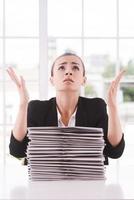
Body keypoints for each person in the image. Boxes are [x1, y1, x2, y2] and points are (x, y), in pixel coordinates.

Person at [7, 52, 125, 165]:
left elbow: (115, 151)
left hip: (88, 183)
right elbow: (16, 150)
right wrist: (23, 105)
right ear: (52, 80)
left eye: (75, 68)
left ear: (84, 80)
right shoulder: (36, 109)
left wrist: (113, 107)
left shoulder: (96, 107)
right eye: (62, 68)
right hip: (44, 183)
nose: (68, 72)